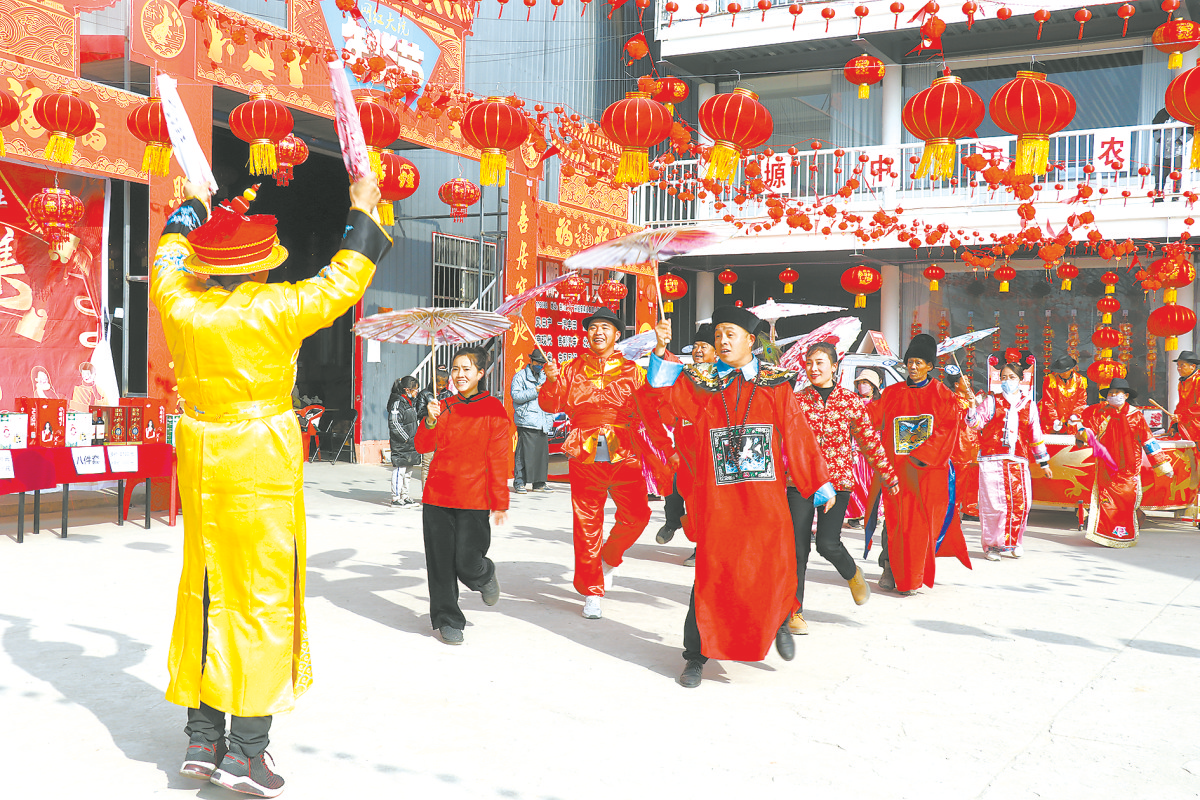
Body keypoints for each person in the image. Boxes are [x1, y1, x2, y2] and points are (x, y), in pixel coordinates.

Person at [154, 175, 391, 796]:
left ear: (207, 266)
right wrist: (362, 208)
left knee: (204, 587)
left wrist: (193, 207)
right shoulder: (276, 308)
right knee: (260, 596)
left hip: (202, 450)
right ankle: (247, 753)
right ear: (259, 267)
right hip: (258, 454)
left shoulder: (178, 301)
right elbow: (344, 278)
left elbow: (168, 250)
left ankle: (202, 738)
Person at [648, 306, 833, 689]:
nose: (723, 341)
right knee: (713, 576)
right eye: (718, 336)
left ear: (751, 340)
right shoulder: (702, 384)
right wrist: (661, 352)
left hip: (765, 499)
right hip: (720, 502)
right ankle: (696, 655)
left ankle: (780, 618)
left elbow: (797, 435)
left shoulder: (775, 384)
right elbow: (668, 403)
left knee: (772, 566)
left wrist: (818, 483)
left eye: (730, 334)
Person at [538, 306, 657, 620]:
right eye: (593, 327)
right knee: (587, 522)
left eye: (606, 327)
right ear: (586, 334)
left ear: (617, 335)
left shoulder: (633, 370)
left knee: (638, 514)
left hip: (623, 446)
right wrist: (550, 382)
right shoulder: (570, 369)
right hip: (586, 446)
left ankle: (611, 554)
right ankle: (592, 590)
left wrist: (663, 354)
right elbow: (550, 405)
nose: (598, 332)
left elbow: (654, 401)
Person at [789, 342, 897, 634]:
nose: (814, 368)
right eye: (810, 363)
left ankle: (852, 573)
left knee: (827, 543)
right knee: (797, 549)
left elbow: (869, 442)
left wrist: (889, 475)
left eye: (820, 363)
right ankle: (794, 611)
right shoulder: (796, 401)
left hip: (837, 483)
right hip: (800, 481)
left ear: (835, 366)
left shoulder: (850, 402)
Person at [415, 345, 511, 644]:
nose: (459, 375)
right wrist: (430, 419)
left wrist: (500, 501)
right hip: (437, 496)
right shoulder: (441, 407)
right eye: (455, 369)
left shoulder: (493, 408)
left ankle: (483, 575)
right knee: (440, 563)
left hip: (473, 497)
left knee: (468, 560)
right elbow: (421, 446)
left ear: (481, 373)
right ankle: (447, 618)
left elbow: (499, 457)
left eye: (466, 369)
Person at [876, 334, 972, 595]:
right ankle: (889, 567)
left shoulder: (943, 396)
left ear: (930, 366)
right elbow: (873, 421)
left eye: (919, 362)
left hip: (927, 472)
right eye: (910, 362)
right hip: (896, 471)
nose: (913, 367)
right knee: (894, 522)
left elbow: (948, 431)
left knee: (919, 525)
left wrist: (922, 455)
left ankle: (912, 576)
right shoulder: (891, 393)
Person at [965, 361, 1052, 561]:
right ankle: (992, 546)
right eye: (1003, 377)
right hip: (992, 459)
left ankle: (1015, 542)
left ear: (1021, 380)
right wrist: (971, 406)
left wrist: (1044, 463)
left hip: (1017, 461)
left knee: (1021, 503)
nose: (1007, 381)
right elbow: (975, 424)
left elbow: (1035, 435)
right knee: (994, 505)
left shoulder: (1028, 405)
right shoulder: (991, 401)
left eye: (1011, 377)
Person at [1075, 377, 1172, 548]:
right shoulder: (1101, 412)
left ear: (1126, 395)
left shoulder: (1136, 416)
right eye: (1110, 393)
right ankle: (1105, 535)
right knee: (1107, 501)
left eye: (1116, 393)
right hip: (1106, 466)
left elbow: (1148, 440)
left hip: (1129, 468)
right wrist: (1080, 431)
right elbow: (1089, 431)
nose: (1113, 396)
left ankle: (1124, 533)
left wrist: (1162, 463)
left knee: (1126, 501)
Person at [655, 323, 718, 569]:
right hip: (685, 449)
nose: (698, 351)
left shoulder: (723, 376)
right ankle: (675, 522)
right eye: (696, 346)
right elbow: (667, 404)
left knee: (706, 502)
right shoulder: (685, 374)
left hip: (711, 451)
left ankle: (702, 547)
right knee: (682, 492)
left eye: (704, 346)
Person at [510, 348, 554, 493]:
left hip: (542, 420)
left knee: (541, 455)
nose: (539, 366)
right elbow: (516, 396)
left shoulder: (545, 376)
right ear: (531, 361)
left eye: (542, 363)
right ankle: (519, 482)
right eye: (537, 362)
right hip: (527, 419)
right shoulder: (520, 377)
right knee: (523, 454)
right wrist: (535, 391)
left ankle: (539, 483)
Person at [846, 369, 883, 527]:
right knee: (857, 483)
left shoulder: (879, 405)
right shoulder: (853, 403)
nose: (862, 386)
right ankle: (858, 514)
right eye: (860, 383)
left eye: (865, 383)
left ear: (873, 386)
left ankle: (873, 512)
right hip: (856, 450)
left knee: (872, 483)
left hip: (874, 449)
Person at [387, 375, 422, 507]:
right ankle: (396, 498)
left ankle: (405, 495)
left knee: (408, 471)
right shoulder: (397, 403)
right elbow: (394, 423)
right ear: (407, 390)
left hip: (411, 443)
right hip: (401, 443)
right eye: (415, 390)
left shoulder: (410, 403)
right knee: (399, 470)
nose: (416, 392)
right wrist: (406, 438)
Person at [417, 365, 451, 485]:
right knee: (427, 464)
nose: (441, 387)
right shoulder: (424, 394)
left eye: (443, 384)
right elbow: (419, 413)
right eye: (439, 384)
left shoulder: (449, 394)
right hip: (429, 433)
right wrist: (430, 410)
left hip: (444, 434)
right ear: (432, 379)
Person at [1039, 355, 1088, 433]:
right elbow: (1048, 402)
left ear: (1071, 369)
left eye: (1063, 372)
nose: (1061, 374)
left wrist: (1075, 415)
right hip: (1052, 422)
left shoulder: (1080, 380)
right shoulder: (1051, 380)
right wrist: (1054, 420)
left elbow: (1081, 401)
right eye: (1059, 372)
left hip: (1071, 423)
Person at [1170, 350, 1200, 442]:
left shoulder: (1198, 380)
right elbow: (1181, 406)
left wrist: (1181, 417)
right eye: (1178, 365)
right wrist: (1174, 424)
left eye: (1182, 365)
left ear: (1193, 366)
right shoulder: (1182, 382)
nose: (1179, 368)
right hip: (1187, 426)